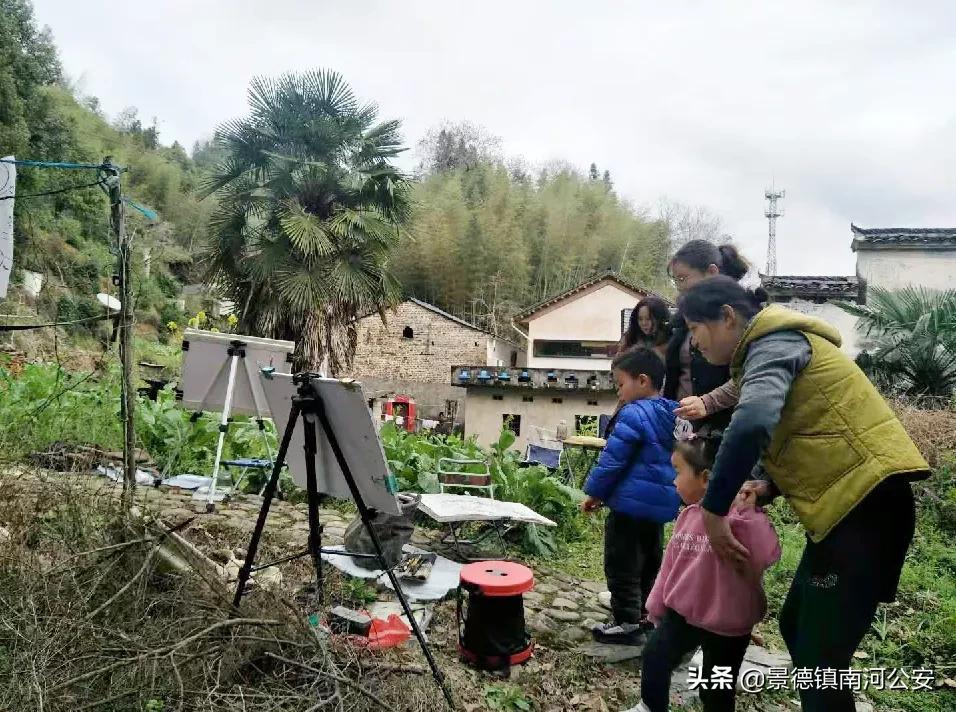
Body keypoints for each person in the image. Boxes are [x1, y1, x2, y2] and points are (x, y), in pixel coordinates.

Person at [678, 276, 930, 712]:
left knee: (819, 656)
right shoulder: (771, 350)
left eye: (695, 331)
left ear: (727, 318)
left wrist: (714, 512)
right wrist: (768, 484)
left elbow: (754, 420)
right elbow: (813, 431)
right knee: (798, 628)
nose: (694, 345)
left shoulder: (775, 342)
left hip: (866, 506)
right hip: (846, 507)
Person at [637, 426, 780, 712]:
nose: (673, 480)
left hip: (728, 624)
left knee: (715, 688)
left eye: (678, 472)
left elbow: (767, 554)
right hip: (683, 613)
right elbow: (670, 566)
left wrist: (746, 513)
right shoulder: (688, 516)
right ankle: (649, 707)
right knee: (655, 656)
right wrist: (655, 606)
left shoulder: (742, 520)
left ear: (705, 479)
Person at [581, 348, 681, 645]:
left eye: (620, 384)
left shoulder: (633, 414)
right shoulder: (672, 413)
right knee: (650, 562)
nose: (619, 391)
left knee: (622, 563)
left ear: (642, 381)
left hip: (629, 506)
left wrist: (594, 493)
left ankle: (626, 622)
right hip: (659, 507)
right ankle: (645, 616)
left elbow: (613, 460)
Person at [663, 240, 749, 432]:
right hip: (687, 428)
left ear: (712, 272)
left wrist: (708, 403)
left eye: (683, 279)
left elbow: (749, 376)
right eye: (675, 281)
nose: (679, 287)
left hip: (725, 428)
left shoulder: (739, 320)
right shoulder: (680, 323)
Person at [619, 296, 672, 361]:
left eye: (648, 319)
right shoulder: (630, 338)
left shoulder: (672, 341)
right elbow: (616, 365)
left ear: (660, 319)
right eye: (640, 319)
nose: (644, 323)